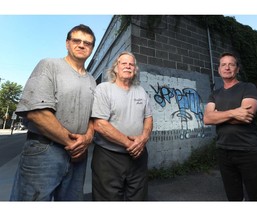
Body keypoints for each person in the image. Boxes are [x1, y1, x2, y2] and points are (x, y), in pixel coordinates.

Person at [10, 24, 96, 201]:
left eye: (87, 43)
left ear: (92, 48)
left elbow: (93, 118)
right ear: (67, 43)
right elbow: (37, 112)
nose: (81, 45)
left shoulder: (92, 81)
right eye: (77, 40)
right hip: (45, 151)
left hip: (78, 156)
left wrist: (87, 139)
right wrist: (72, 144)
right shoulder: (49, 65)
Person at [203, 52, 257, 201]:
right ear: (218, 70)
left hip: (248, 151)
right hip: (224, 151)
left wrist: (219, 116)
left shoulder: (248, 87)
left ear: (237, 69)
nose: (227, 67)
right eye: (223, 65)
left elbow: (246, 117)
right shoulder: (215, 94)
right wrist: (234, 113)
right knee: (234, 198)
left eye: (231, 64)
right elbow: (207, 118)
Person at [91, 51, 153, 201]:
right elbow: (99, 124)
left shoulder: (141, 91)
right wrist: (130, 144)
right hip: (108, 157)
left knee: (138, 199)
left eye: (131, 64)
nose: (128, 66)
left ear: (135, 69)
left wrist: (143, 138)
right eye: (123, 63)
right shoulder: (103, 89)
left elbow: (148, 118)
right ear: (116, 68)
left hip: (138, 156)